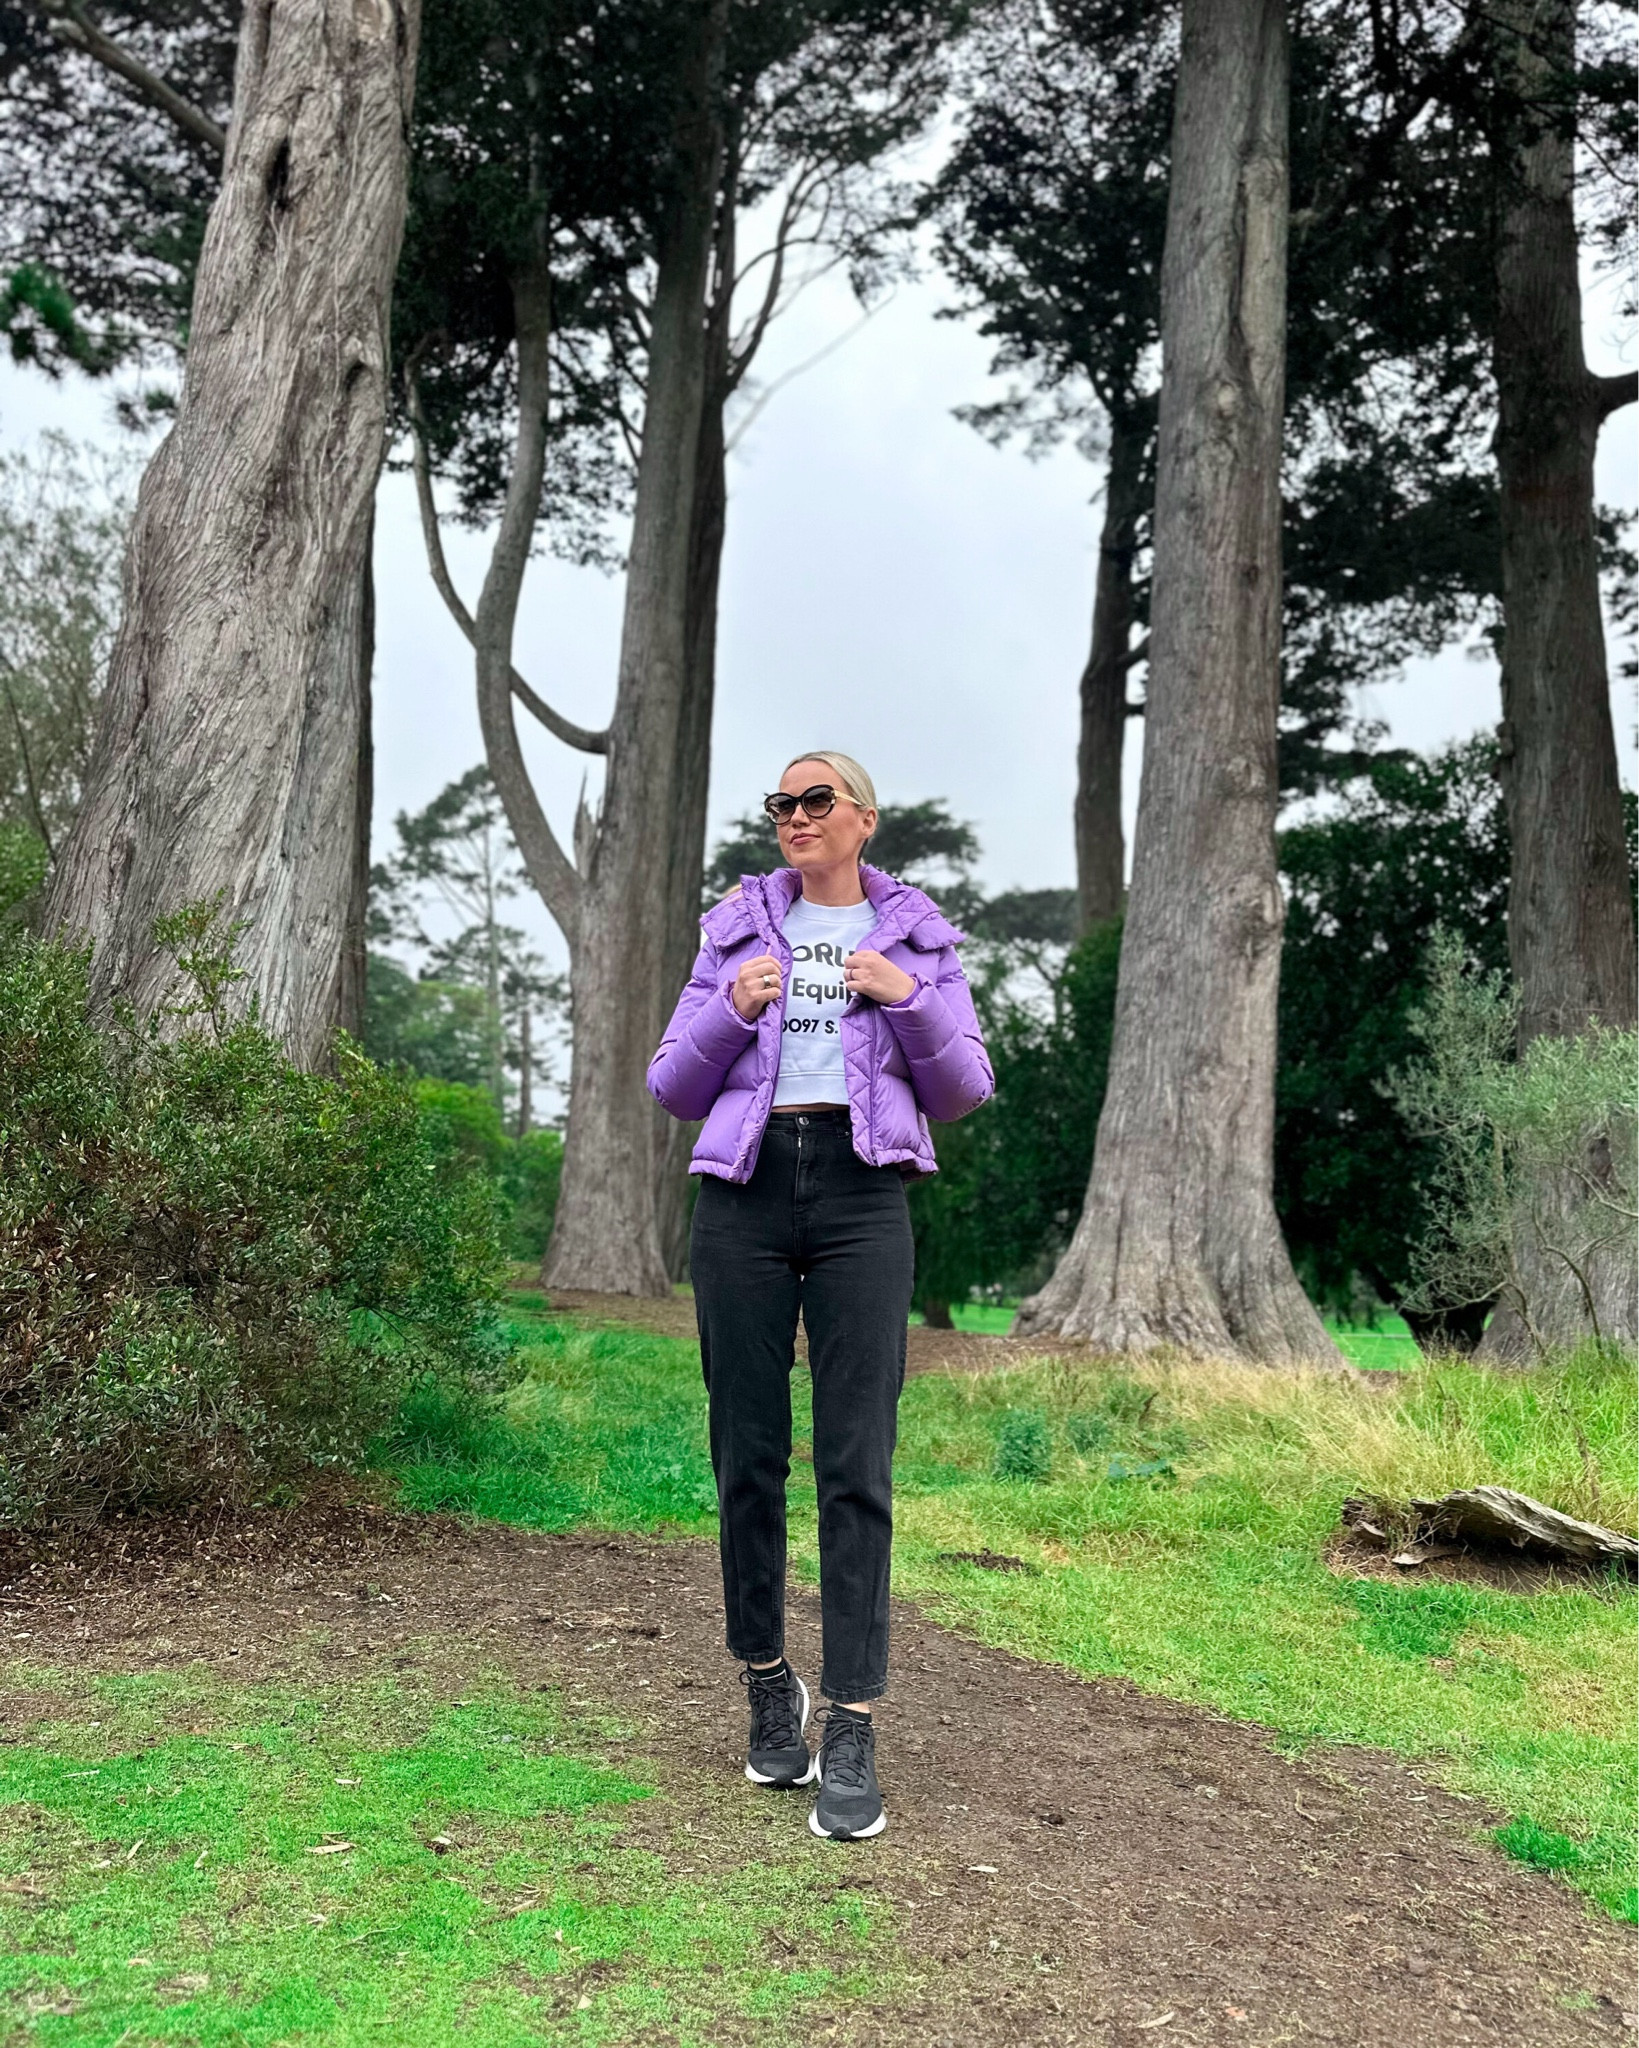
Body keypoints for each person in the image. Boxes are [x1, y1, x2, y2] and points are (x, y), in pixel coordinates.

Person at [647, 751, 994, 1840]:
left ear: (863, 820)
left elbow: (962, 1087)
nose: (794, 817)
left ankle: (850, 1720)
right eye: (781, 805)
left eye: (815, 801)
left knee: (857, 1459)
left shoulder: (919, 941)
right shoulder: (731, 933)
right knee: (744, 1452)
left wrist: (906, 997)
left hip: (861, 1196)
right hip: (745, 1197)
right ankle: (764, 1677)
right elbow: (671, 1085)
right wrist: (729, 1012)